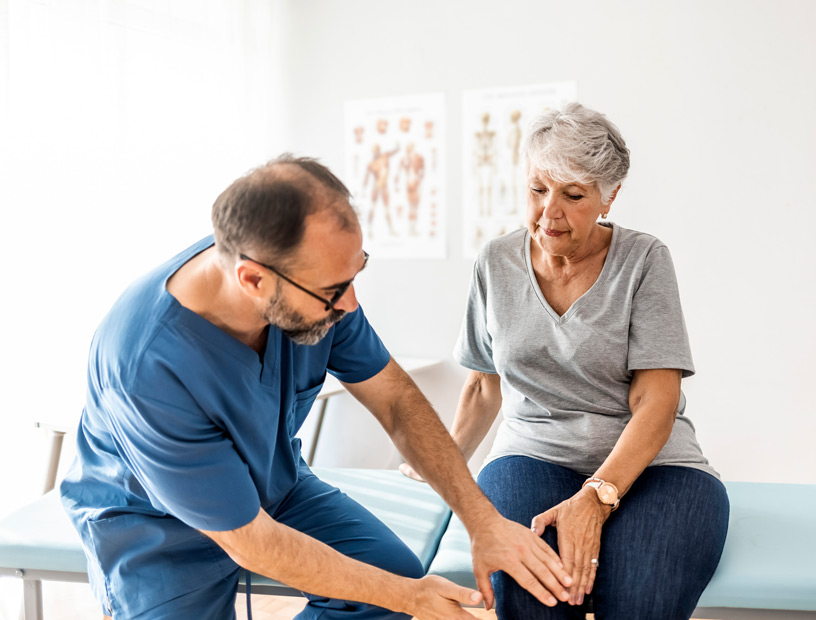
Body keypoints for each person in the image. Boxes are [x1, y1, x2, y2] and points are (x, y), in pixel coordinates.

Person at [60, 154, 574, 620]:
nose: (350, 304)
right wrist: (412, 600)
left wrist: (481, 521)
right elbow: (250, 540)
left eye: (357, 272)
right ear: (253, 281)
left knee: (393, 577)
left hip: (273, 487)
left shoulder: (314, 285)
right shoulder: (148, 364)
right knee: (399, 592)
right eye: (334, 291)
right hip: (156, 529)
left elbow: (395, 401)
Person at [402, 103, 729, 619]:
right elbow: (484, 387)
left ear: (609, 197)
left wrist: (595, 498)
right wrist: (442, 465)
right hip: (531, 456)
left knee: (639, 602)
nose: (548, 212)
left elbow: (656, 398)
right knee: (537, 601)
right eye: (537, 189)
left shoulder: (644, 260)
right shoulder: (495, 262)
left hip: (655, 467)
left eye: (572, 195)